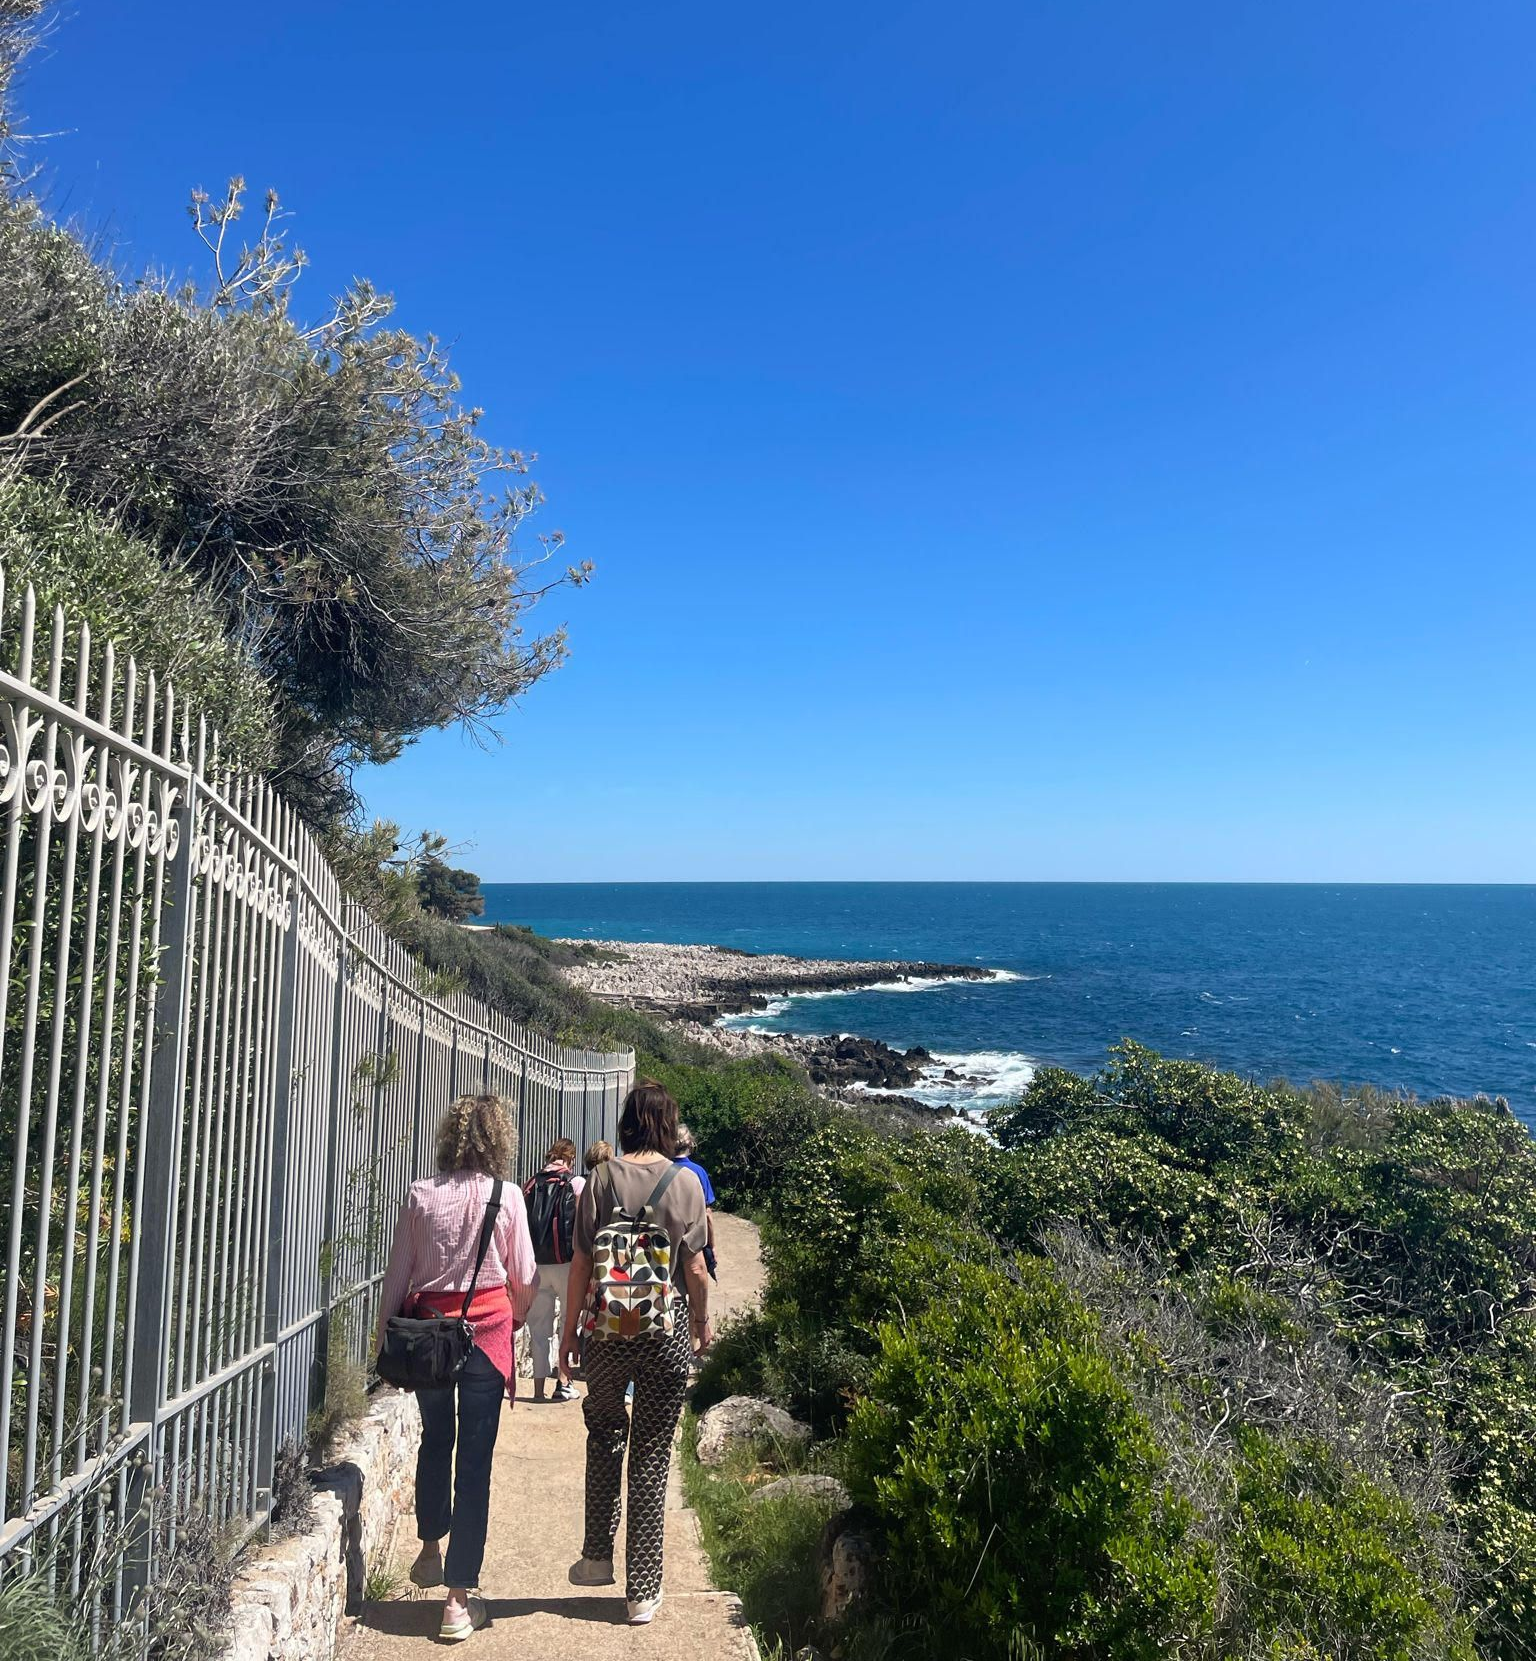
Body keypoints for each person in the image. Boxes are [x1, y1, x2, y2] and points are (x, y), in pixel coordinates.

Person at [376, 1094, 537, 1643]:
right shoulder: (508, 1196)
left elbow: (400, 1276)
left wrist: (384, 1338)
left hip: (429, 1341)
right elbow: (525, 1277)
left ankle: (428, 1551)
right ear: (500, 1140)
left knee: (435, 1440)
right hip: (487, 1340)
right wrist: (517, 1315)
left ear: (449, 1137)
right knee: (474, 1463)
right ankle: (458, 1599)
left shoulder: (420, 1195)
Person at [560, 1081, 714, 1625]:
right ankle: (642, 1591)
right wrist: (700, 1324)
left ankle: (597, 1558)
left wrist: (568, 1333)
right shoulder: (687, 1184)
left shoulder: (598, 1180)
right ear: (669, 1124)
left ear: (627, 1122)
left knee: (603, 1434)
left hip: (605, 1334)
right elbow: (695, 1269)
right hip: (663, 1333)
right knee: (651, 1455)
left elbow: (581, 1263)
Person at [523, 1138, 585, 1402]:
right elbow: (584, 1226)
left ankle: (538, 1390)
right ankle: (563, 1382)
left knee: (539, 1327)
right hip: (567, 1264)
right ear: (570, 1159)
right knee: (567, 1325)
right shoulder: (575, 1183)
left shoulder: (529, 1184)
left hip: (536, 1264)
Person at [673, 1122, 719, 1280]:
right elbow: (707, 1215)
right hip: (693, 1242)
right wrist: (712, 1246)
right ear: (690, 1144)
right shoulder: (699, 1172)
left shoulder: (661, 1169)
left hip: (666, 1240)